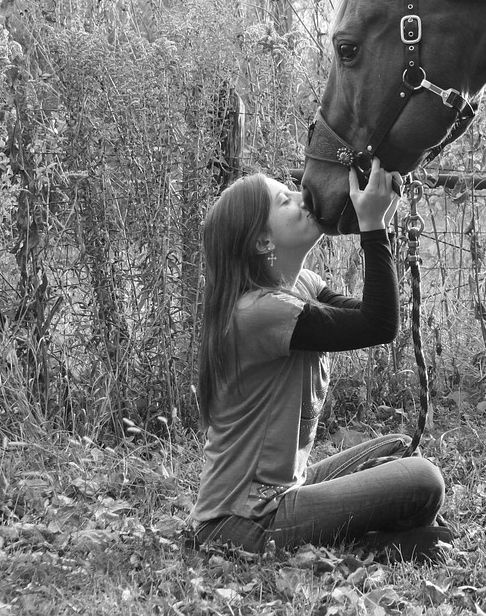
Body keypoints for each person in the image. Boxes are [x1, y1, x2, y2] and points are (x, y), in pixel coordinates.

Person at [190, 158, 451, 561]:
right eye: (284, 199)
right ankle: (367, 547)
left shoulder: (303, 286)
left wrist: (372, 216)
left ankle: (365, 537)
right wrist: (372, 227)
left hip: (285, 491)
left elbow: (373, 313)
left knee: (398, 448)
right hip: (243, 522)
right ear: (263, 241)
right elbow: (378, 324)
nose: (302, 196)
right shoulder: (260, 312)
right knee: (423, 480)